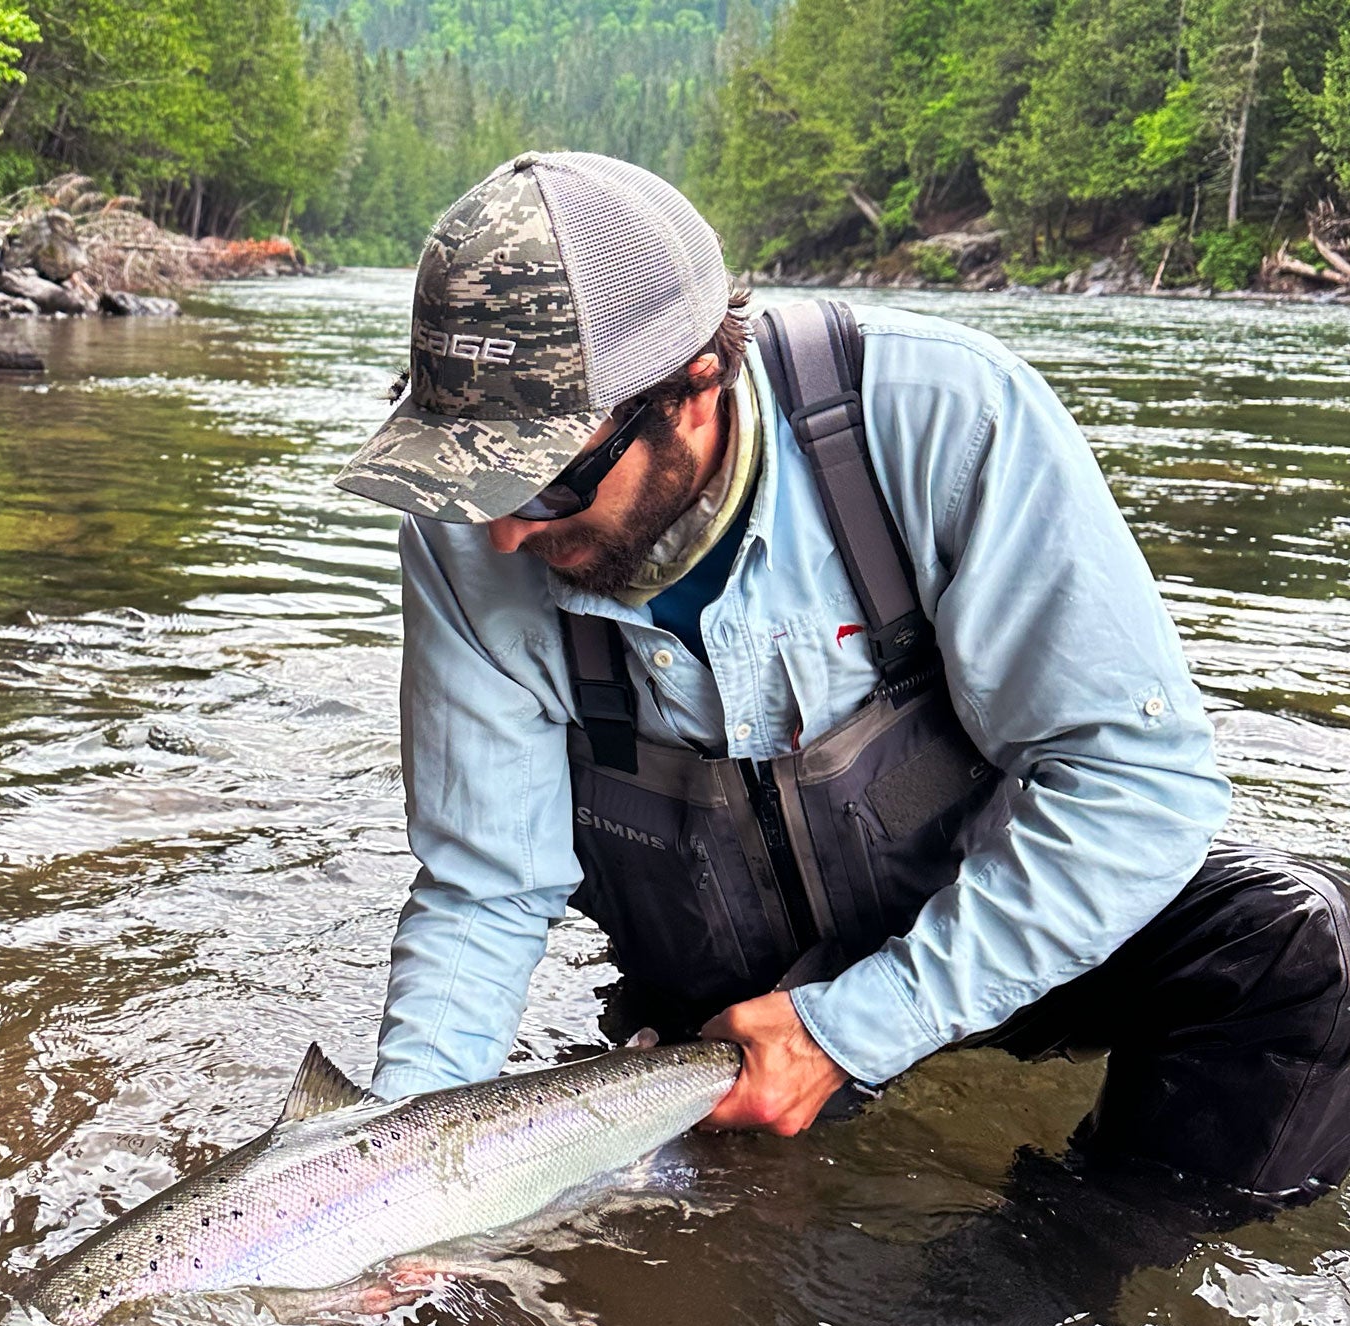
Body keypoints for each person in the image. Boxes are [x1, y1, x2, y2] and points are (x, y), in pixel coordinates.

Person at [332, 149, 1350, 1200]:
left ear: (691, 387)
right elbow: (485, 887)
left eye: (543, 486)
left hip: (980, 914)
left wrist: (852, 1029)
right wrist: (389, 1181)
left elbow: (1134, 784)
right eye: (467, 482)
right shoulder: (463, 540)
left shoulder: (947, 418)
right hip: (724, 1017)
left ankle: (1043, 1283)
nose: (499, 534)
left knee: (1298, 953)